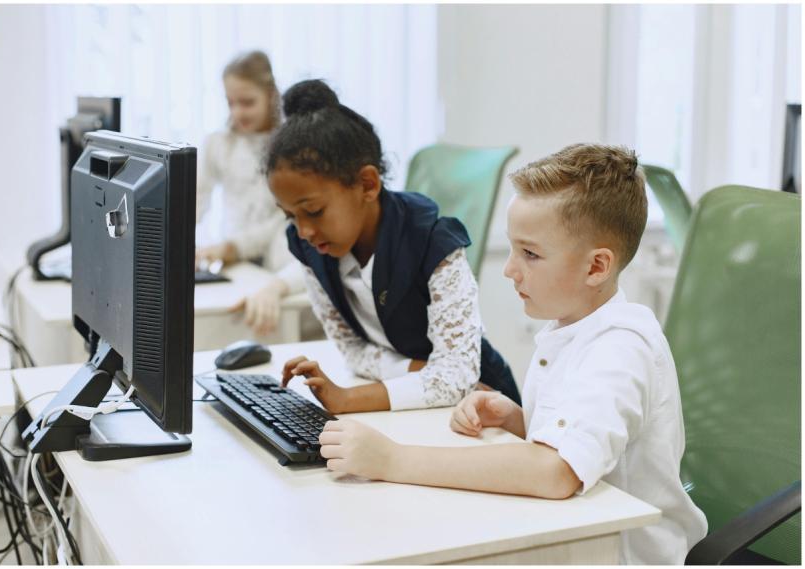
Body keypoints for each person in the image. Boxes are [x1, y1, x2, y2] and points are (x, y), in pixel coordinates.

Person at [317, 144, 708, 564]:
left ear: (596, 267)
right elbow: (592, 443)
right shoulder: (571, 327)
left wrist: (391, 459)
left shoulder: (621, 349)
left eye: (531, 254)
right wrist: (520, 421)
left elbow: (557, 472)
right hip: (570, 538)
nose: (510, 269)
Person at [265, 79, 520, 414]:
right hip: (410, 403)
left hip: (484, 407)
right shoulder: (310, 245)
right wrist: (417, 370)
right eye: (290, 216)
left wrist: (346, 399)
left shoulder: (433, 241)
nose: (304, 231)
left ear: (367, 184)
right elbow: (352, 351)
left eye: (313, 211)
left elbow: (457, 376)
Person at [195, 50, 303, 336]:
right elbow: (192, 203)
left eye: (247, 102)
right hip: (236, 263)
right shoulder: (219, 144)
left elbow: (285, 220)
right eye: (231, 103)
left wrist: (234, 247)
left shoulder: (291, 145)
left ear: (271, 95)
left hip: (277, 262)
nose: (237, 112)